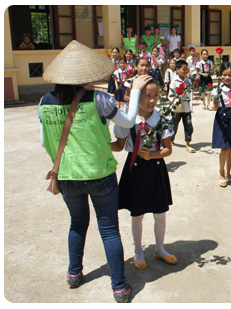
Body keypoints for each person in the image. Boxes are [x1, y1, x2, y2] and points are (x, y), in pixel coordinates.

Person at [38, 40, 152, 302]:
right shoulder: (99, 98)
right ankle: (119, 288)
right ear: (85, 75)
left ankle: (73, 274)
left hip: (66, 176)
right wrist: (135, 91)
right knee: (109, 229)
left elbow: (46, 142)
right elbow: (128, 120)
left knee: (77, 224)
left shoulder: (44, 102)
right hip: (100, 174)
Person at [111, 78, 177, 271]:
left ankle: (159, 249)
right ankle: (139, 251)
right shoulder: (126, 121)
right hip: (135, 169)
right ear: (135, 97)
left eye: (156, 95)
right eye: (147, 95)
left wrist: (152, 154)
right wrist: (100, 146)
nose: (152, 100)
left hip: (156, 168)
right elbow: (119, 145)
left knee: (160, 213)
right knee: (137, 213)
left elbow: (168, 150)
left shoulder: (162, 119)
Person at [169, 60, 195, 153]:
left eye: (186, 69)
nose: (185, 71)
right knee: (174, 125)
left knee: (188, 125)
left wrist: (190, 103)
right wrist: (176, 101)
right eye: (183, 69)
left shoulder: (188, 81)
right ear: (177, 69)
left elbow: (190, 93)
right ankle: (171, 139)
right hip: (176, 108)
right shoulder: (174, 81)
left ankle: (188, 143)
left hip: (186, 108)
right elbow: (170, 94)